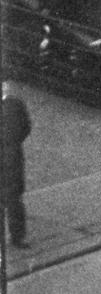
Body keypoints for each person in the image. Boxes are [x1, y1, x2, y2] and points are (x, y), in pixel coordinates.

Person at [1, 78, 31, 249]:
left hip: (9, 159)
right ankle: (17, 237)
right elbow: (26, 127)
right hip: (13, 158)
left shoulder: (15, 104)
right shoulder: (16, 104)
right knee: (14, 201)